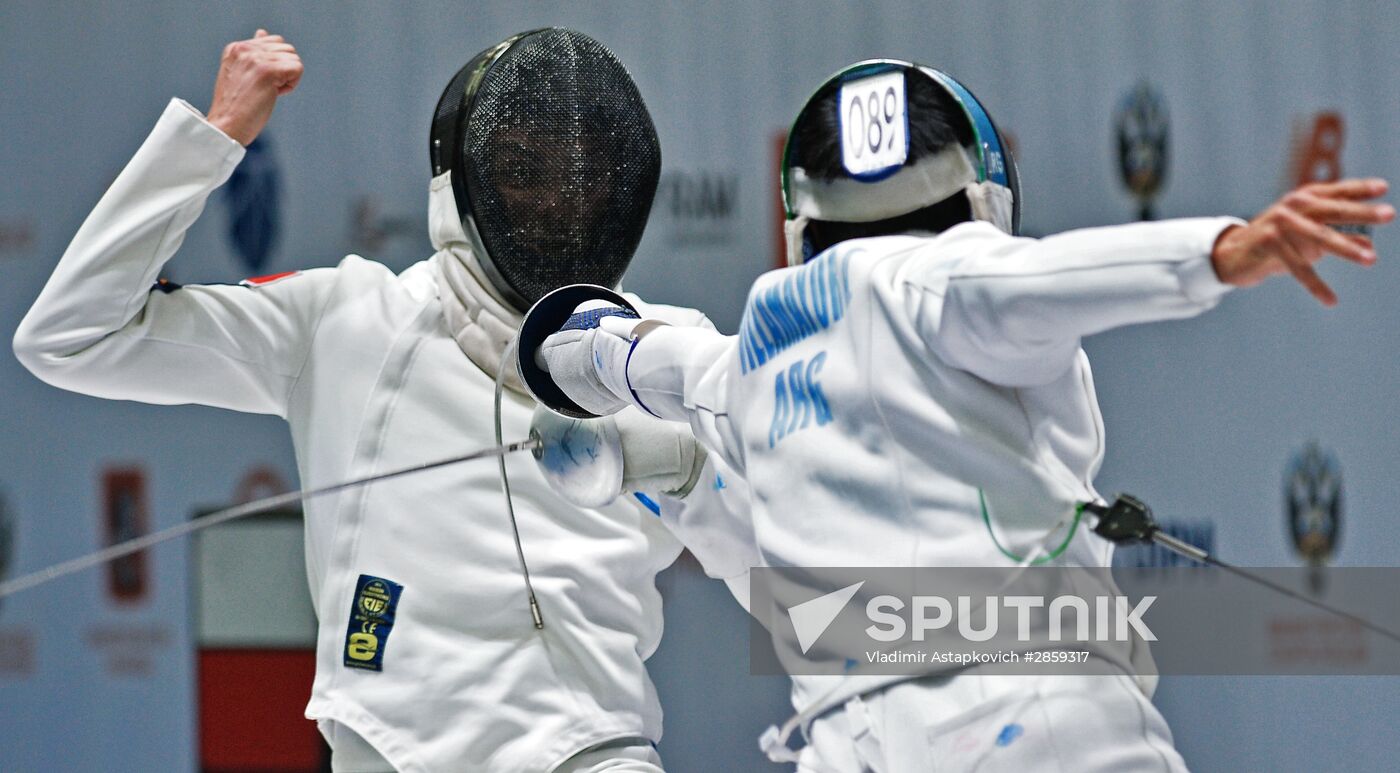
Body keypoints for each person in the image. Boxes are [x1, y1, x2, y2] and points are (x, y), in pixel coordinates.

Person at [535, 60, 1394, 772]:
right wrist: (1219, 253)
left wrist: (569, 353)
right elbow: (1038, 280)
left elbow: (636, 358)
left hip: (852, 742)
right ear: (982, 200)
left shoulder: (754, 347)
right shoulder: (945, 283)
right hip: (1031, 716)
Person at [14, 28, 721, 773]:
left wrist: (852, 696)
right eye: (520, 169)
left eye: (585, 175)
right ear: (464, 182)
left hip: (592, 753)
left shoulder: (663, 355)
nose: (553, 200)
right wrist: (212, 139)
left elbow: (791, 540)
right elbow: (70, 335)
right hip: (386, 753)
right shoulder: (348, 320)